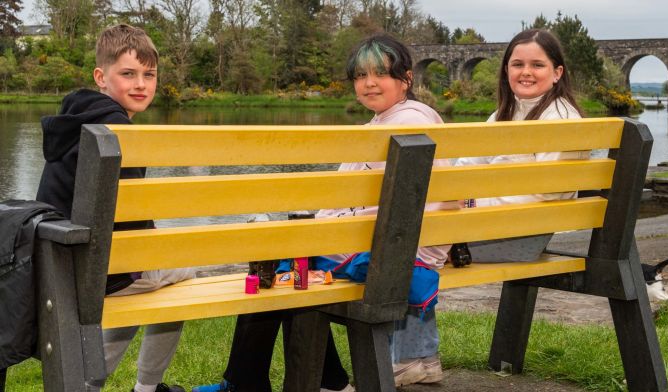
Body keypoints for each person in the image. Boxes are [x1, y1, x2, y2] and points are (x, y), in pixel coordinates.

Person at [192, 34, 458, 392]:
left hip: (396, 254)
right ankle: (324, 380)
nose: (368, 83)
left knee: (277, 259)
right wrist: (316, 227)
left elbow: (379, 211)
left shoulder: (401, 124)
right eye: (361, 76)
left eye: (380, 73)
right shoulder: (395, 121)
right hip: (400, 245)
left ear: (406, 79)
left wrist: (313, 231)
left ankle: (247, 383)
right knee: (288, 256)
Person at [35, 24, 193, 392]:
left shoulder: (75, 119)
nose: (141, 84)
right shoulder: (119, 129)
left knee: (142, 275)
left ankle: (90, 384)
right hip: (97, 271)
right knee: (177, 279)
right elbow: (132, 222)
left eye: (149, 75)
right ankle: (144, 387)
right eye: (128, 74)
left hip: (59, 261)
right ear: (100, 77)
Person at [454, 28, 589, 263]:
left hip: (521, 235)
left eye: (537, 65)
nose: (526, 72)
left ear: (557, 73)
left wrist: (472, 203)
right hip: (490, 225)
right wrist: (454, 198)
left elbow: (546, 194)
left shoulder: (561, 120)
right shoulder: (505, 113)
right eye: (517, 64)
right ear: (506, 70)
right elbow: (468, 163)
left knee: (405, 246)